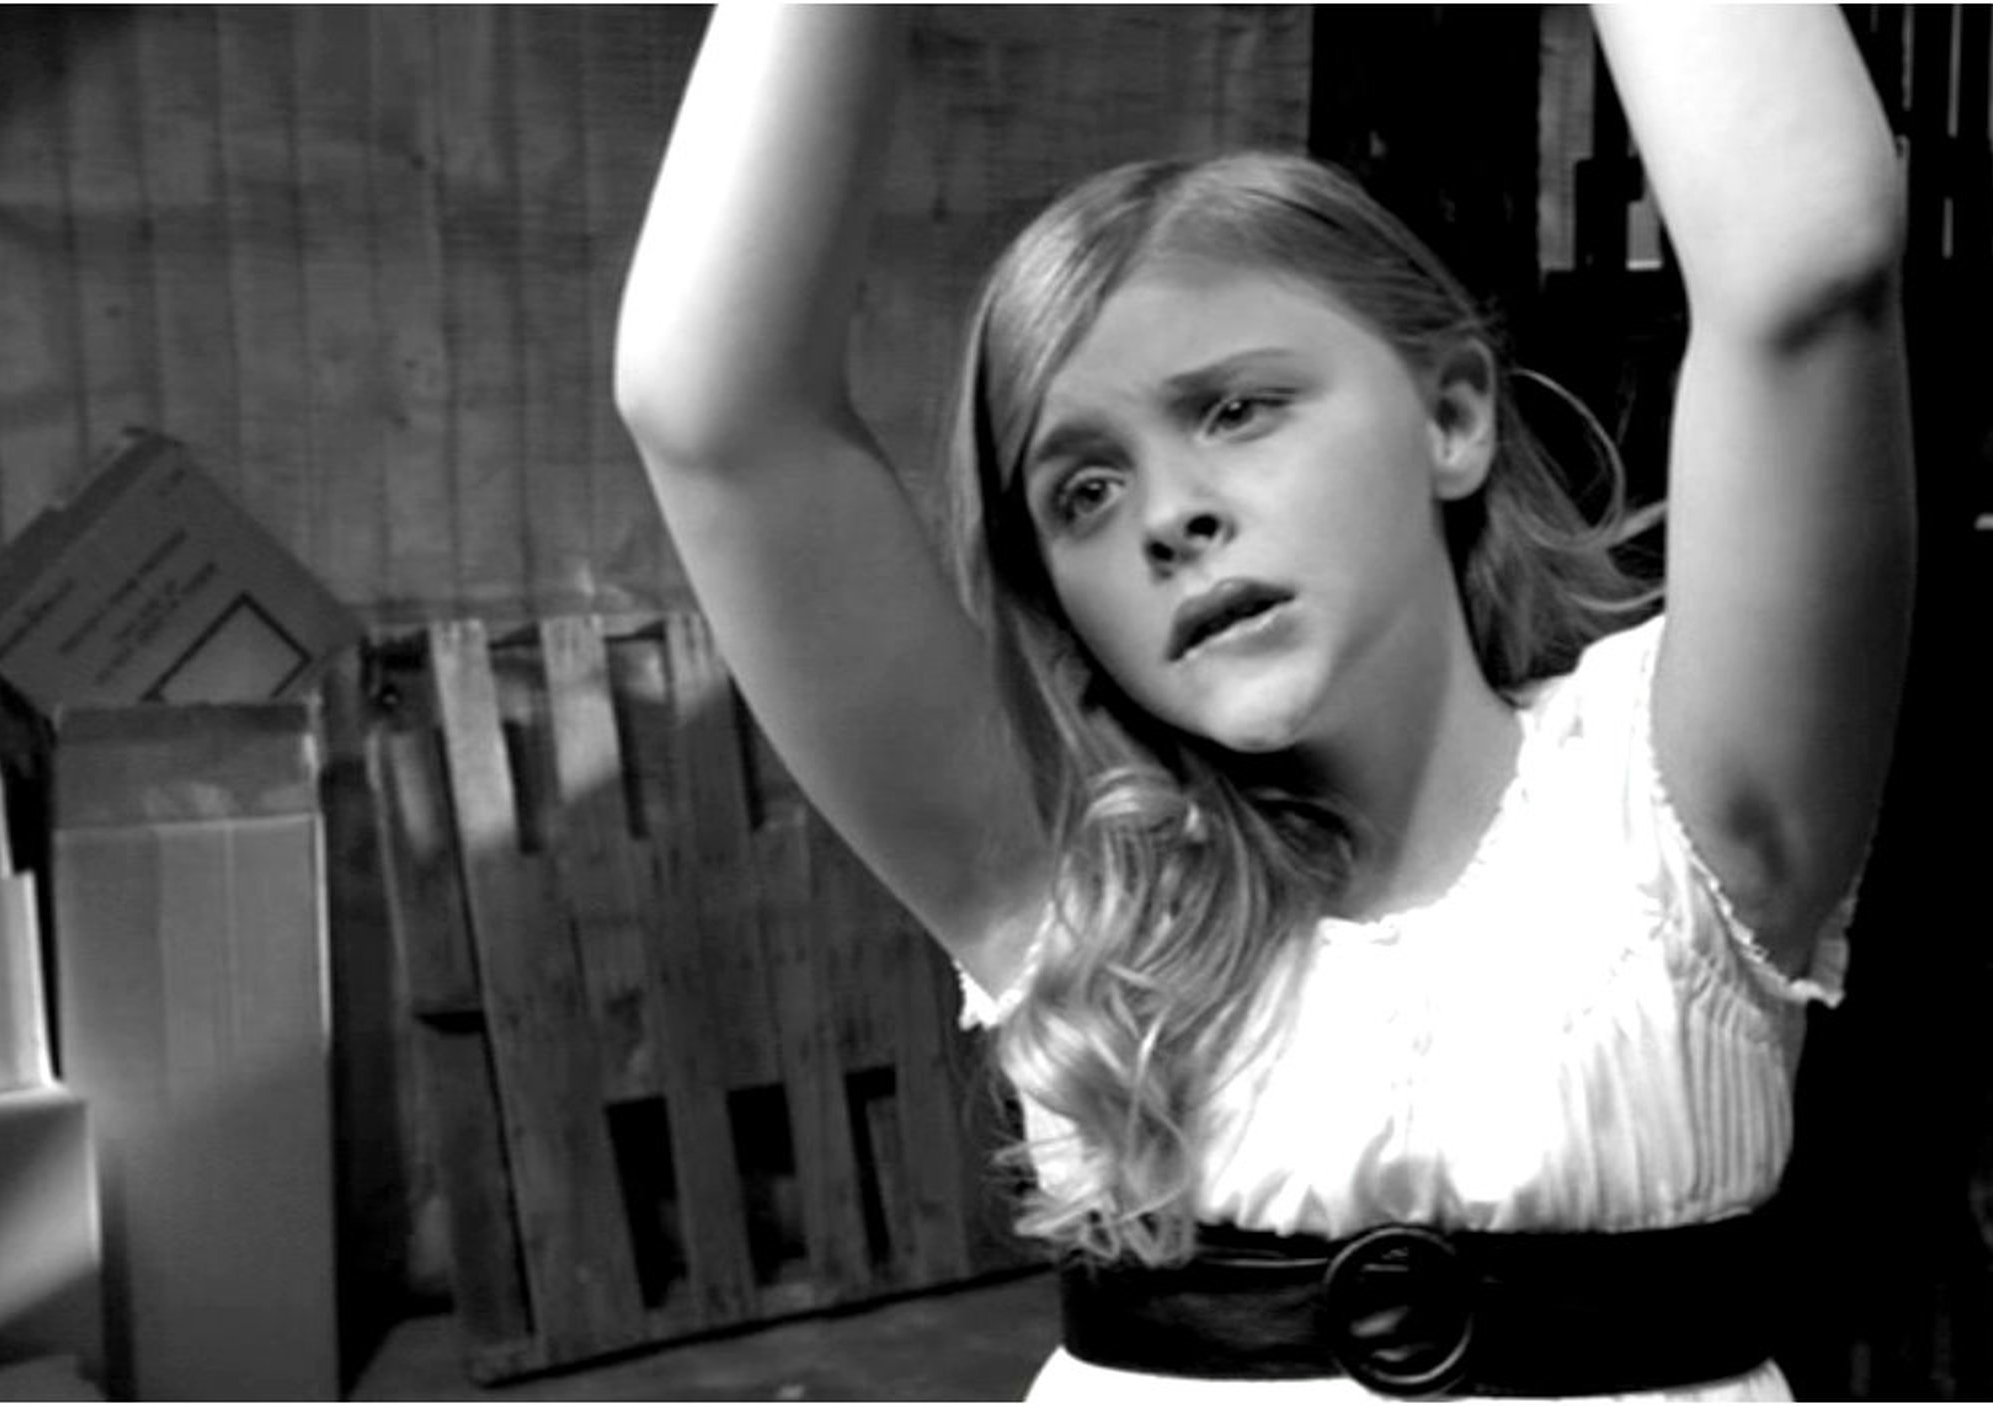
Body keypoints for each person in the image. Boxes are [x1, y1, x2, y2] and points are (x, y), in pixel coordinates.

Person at [614, 6, 1912, 1399]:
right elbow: (712, 417)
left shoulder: (1670, 809)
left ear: (1452, 417)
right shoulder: (1078, 890)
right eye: (1083, 489)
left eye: (1236, 409)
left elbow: (1804, 266)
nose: (1168, 516)